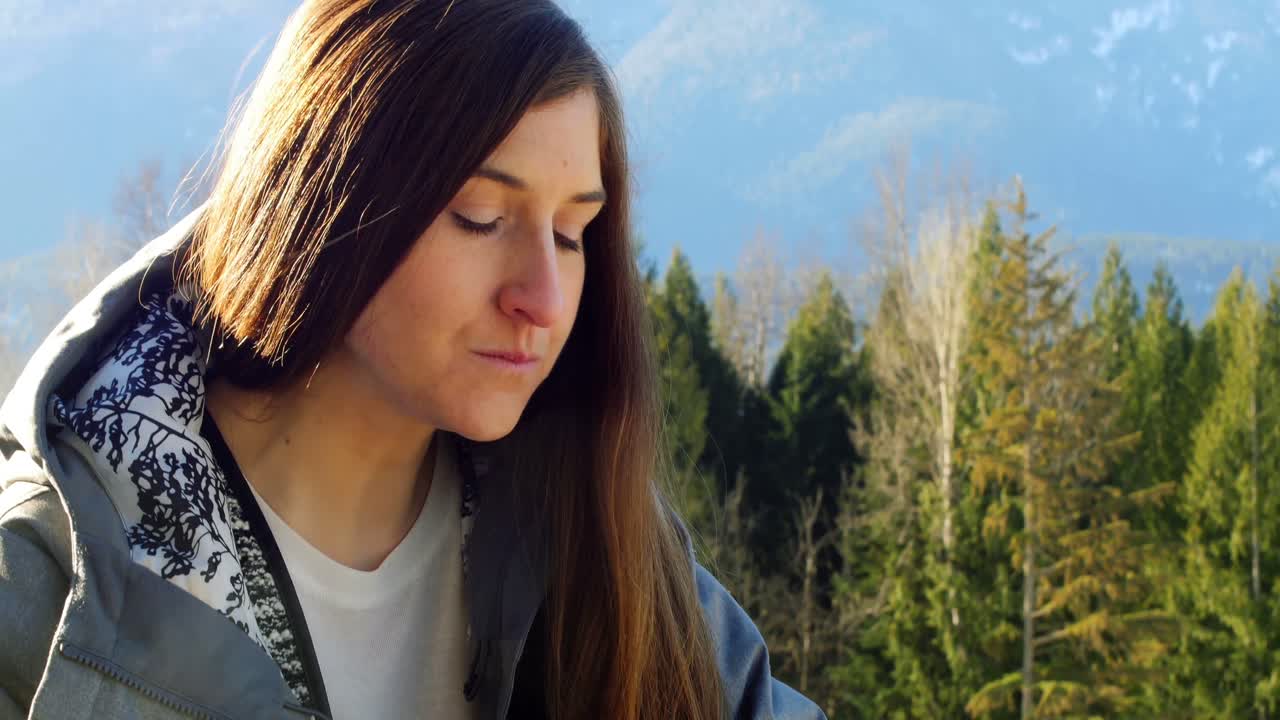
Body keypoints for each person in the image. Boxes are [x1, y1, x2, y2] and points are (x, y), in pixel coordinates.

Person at [0, 1, 825, 718]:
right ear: (327, 199)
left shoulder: (597, 534)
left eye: (572, 234)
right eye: (477, 216)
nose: (542, 297)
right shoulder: (48, 588)